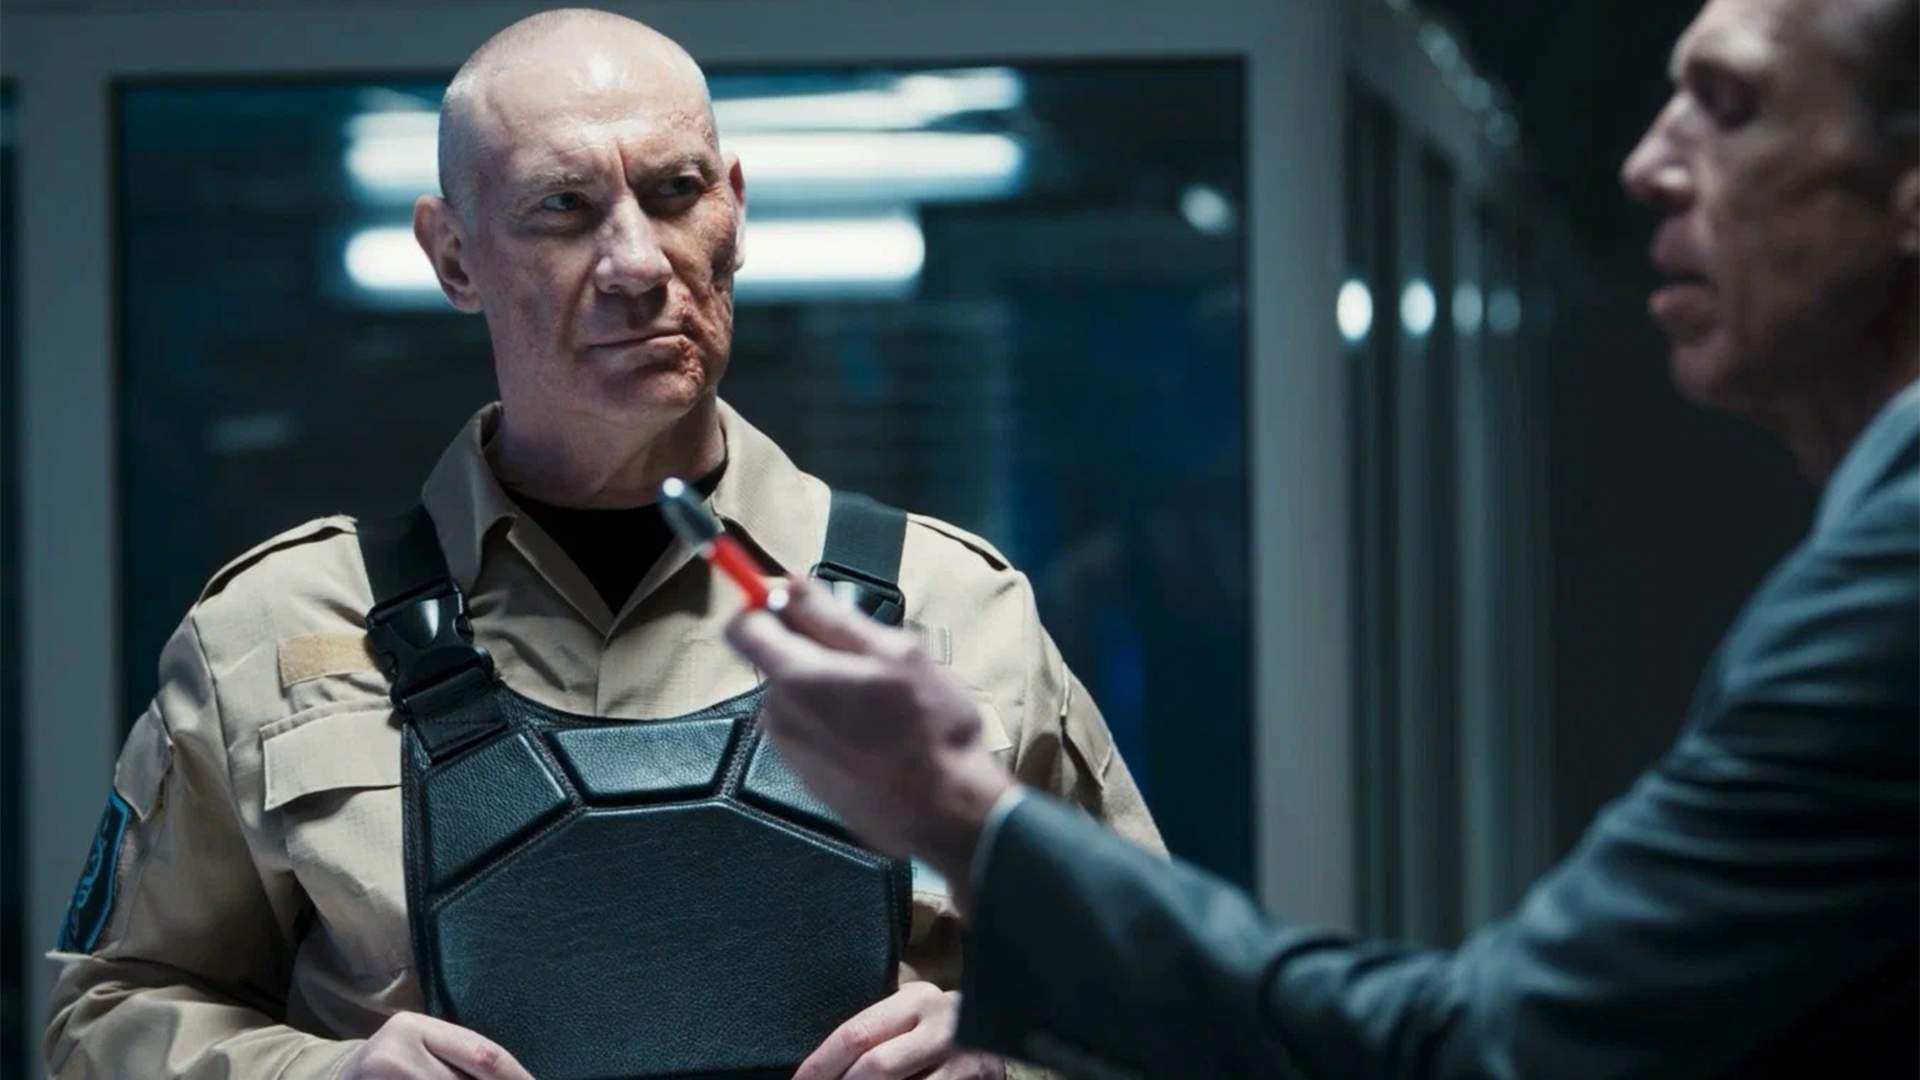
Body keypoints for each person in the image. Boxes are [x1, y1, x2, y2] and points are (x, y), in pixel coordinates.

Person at [725, 0, 1920, 1075]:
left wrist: (959, 812)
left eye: (1732, 104)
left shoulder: (1894, 578)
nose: (1648, 163)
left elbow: (1498, 1050)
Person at [41, 10, 1162, 1080]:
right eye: (564, 208)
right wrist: (323, 1072)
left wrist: (1004, 1048)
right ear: (453, 256)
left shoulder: (954, 613)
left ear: (734, 211)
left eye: (675, 194)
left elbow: (1164, 1001)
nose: (636, 263)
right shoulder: (274, 634)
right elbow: (101, 1018)